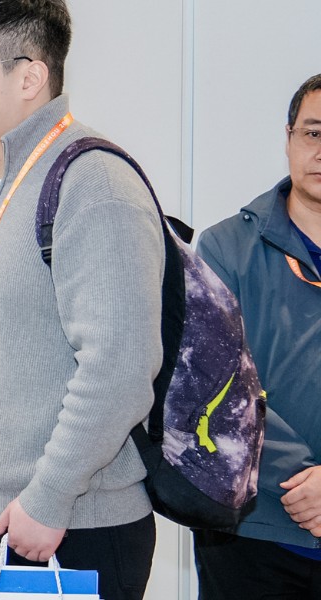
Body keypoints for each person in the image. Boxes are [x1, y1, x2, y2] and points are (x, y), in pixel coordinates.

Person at [0, 1, 165, 597]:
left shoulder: (92, 183)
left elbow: (121, 368)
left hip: (68, 526)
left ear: (29, 76)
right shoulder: (5, 177)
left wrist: (50, 497)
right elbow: (22, 325)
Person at [190, 73, 321, 599]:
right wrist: (304, 481)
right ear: (289, 138)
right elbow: (212, 385)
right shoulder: (225, 249)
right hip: (250, 531)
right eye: (313, 133)